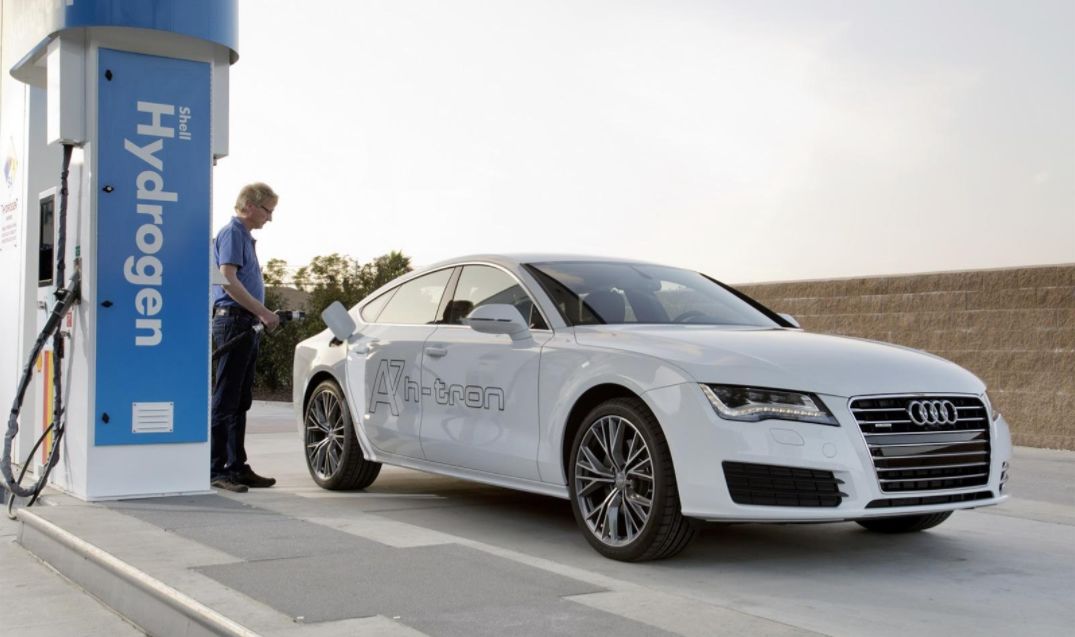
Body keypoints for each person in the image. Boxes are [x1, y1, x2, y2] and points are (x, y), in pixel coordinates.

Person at [210, 182, 281, 492]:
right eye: (268, 210)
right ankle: (215, 469)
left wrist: (259, 314)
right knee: (226, 398)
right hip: (234, 322)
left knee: (240, 399)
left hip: (245, 323)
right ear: (249, 206)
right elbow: (227, 279)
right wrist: (264, 312)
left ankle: (235, 465)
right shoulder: (232, 233)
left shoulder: (243, 238)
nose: (270, 217)